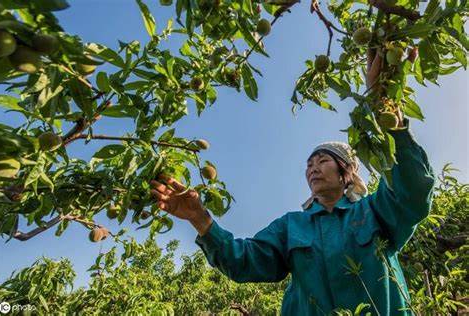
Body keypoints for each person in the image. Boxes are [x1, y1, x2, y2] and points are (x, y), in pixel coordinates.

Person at [150, 50, 436, 315]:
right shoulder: (292, 226)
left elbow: (413, 192)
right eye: (309, 164)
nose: (313, 168)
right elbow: (244, 260)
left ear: (345, 171)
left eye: (323, 161)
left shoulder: (373, 210)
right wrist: (200, 219)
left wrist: (392, 122)